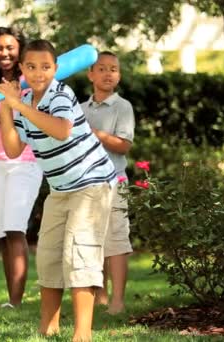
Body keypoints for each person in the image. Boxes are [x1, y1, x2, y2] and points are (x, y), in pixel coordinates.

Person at [0, 39, 116, 341]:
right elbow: (12, 149)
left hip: (92, 182)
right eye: (31, 67)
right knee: (48, 256)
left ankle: (82, 334)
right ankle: (48, 329)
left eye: (45, 67)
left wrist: (19, 104)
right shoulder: (22, 103)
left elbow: (61, 130)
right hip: (60, 188)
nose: (38, 73)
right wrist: (8, 110)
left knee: (80, 252)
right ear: (22, 69)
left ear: (56, 69)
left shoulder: (61, 94)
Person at [0, 27, 43, 309]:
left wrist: (1, 115)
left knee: (15, 230)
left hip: (25, 162)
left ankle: (16, 302)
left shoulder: (31, 83)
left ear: (20, 50)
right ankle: (11, 298)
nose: (4, 53)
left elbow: (36, 122)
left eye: (10, 47)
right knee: (3, 233)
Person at [82, 51, 135, 315]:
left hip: (114, 182)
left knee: (116, 241)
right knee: (92, 241)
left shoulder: (122, 107)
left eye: (113, 69)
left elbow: (124, 145)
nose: (108, 73)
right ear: (90, 74)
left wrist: (94, 134)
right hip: (86, 184)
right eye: (101, 69)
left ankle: (118, 300)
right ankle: (99, 295)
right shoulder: (80, 110)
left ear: (119, 75)